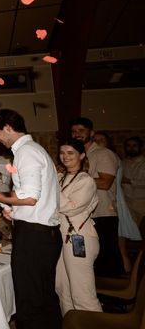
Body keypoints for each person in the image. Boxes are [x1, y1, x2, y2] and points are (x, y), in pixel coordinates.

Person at [0, 109, 61, 329]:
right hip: (40, 233)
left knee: (29, 302)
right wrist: (13, 211)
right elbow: (34, 200)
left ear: (8, 128)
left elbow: (30, 197)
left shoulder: (27, 152)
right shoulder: (33, 150)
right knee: (44, 298)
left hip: (34, 237)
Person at [55, 139, 102, 315]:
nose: (65, 157)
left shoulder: (86, 180)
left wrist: (51, 186)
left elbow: (71, 208)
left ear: (81, 155)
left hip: (79, 237)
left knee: (82, 295)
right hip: (60, 238)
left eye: (70, 153)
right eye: (62, 153)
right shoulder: (60, 178)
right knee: (63, 290)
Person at [71, 117, 123, 276]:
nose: (77, 134)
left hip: (103, 213)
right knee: (91, 263)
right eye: (74, 131)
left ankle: (117, 298)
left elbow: (105, 182)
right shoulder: (77, 156)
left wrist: (74, 180)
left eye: (81, 131)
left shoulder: (103, 154)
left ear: (91, 133)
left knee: (107, 261)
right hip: (84, 214)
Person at [94, 132, 141, 273]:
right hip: (115, 201)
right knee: (117, 247)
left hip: (116, 204)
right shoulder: (103, 157)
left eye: (101, 140)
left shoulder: (110, 157)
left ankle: (128, 281)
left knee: (120, 247)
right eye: (95, 140)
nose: (98, 142)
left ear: (108, 142)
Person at [122, 136, 145, 228]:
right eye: (128, 146)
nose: (131, 148)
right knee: (131, 231)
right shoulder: (123, 162)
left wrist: (129, 181)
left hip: (142, 202)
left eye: (135, 145)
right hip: (127, 203)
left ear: (141, 147)